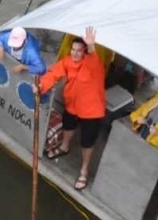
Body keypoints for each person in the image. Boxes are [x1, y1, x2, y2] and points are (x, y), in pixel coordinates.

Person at [36, 25, 107, 190]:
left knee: (87, 142)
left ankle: (84, 170)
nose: (75, 53)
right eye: (73, 50)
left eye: (79, 50)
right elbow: (53, 74)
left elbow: (93, 57)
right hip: (73, 104)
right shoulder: (68, 61)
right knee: (68, 125)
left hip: (91, 110)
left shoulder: (93, 65)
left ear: (84, 52)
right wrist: (41, 86)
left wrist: (91, 46)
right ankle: (64, 146)